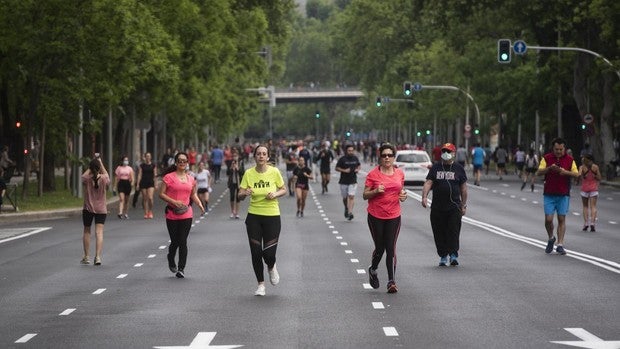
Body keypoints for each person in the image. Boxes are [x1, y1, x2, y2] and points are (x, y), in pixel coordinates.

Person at [238, 144, 287, 296]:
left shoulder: (274, 172)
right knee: (256, 252)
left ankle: (271, 267)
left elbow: (283, 189)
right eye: (258, 153)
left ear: (267, 157)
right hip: (254, 216)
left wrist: (275, 194)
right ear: (255, 156)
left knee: (269, 254)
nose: (261, 156)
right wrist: (245, 192)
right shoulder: (248, 173)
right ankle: (261, 285)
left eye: (264, 154)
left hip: (272, 216)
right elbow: (239, 195)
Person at [363, 143, 407, 293]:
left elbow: (401, 191)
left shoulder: (399, 173)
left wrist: (403, 196)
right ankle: (373, 269)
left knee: (391, 248)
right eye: (384, 155)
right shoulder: (373, 174)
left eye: (390, 155)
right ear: (380, 157)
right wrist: (375, 191)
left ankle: (391, 281)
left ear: (394, 157)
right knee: (380, 249)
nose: (387, 158)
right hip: (376, 215)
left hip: (394, 215)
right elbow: (365, 195)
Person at [159, 152, 205, 278]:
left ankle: (181, 268)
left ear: (187, 163)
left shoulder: (191, 178)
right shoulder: (169, 177)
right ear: (176, 162)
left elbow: (193, 194)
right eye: (180, 160)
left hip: (186, 213)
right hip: (172, 213)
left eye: (184, 161)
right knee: (175, 241)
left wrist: (200, 204)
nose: (182, 163)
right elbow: (161, 194)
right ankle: (170, 257)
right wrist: (174, 202)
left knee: (183, 241)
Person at [421, 143, 468, 266]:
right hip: (438, 207)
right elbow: (428, 183)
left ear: (454, 153)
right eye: (444, 151)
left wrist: (463, 205)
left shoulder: (458, 168)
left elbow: (463, 188)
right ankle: (443, 255)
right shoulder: (436, 168)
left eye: (448, 151)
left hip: (454, 207)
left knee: (453, 231)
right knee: (439, 231)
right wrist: (424, 197)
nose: (446, 153)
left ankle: (453, 255)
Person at [536, 138, 580, 255]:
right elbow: (538, 172)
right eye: (556, 149)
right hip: (549, 194)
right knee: (548, 220)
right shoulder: (547, 158)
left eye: (561, 149)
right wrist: (549, 169)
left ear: (564, 148)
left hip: (563, 194)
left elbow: (577, 174)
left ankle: (560, 244)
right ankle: (551, 238)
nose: (559, 152)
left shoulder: (570, 160)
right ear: (553, 148)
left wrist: (565, 172)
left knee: (561, 219)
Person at [81, 157, 110, 265]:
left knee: (87, 231)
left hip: (88, 209)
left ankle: (87, 256)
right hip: (101, 209)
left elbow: (83, 176)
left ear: (90, 168)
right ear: (99, 168)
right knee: (99, 232)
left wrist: (90, 167)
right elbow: (107, 175)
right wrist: (101, 163)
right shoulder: (104, 178)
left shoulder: (87, 179)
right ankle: (97, 257)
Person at [336, 144, 361, 221]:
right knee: (345, 198)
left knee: (351, 196)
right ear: (346, 151)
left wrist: (358, 169)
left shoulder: (355, 158)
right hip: (343, 181)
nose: (351, 152)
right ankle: (346, 208)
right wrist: (344, 170)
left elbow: (359, 165)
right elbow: (336, 168)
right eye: (349, 150)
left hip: (353, 180)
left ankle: (350, 212)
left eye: (352, 150)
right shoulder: (342, 159)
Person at [579, 154, 601, 232]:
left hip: (584, 188)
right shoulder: (595, 167)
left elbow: (579, 176)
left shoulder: (582, 167)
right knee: (593, 206)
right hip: (593, 189)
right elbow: (599, 178)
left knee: (585, 206)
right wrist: (594, 175)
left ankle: (586, 223)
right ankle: (592, 223)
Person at [137, 152, 157, 219]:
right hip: (143, 182)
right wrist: (138, 184)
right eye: (147, 156)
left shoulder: (153, 165)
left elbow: (155, 175)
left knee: (150, 197)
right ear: (145, 157)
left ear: (151, 157)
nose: (148, 157)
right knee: (145, 198)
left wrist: (156, 184)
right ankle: (146, 212)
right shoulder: (142, 165)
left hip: (151, 182)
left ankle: (150, 211)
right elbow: (139, 174)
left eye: (149, 156)